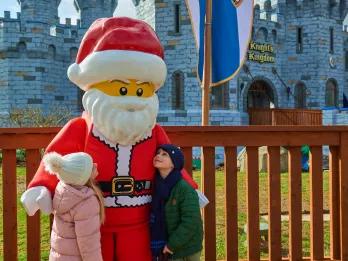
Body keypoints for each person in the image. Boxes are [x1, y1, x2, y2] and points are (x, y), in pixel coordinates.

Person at [42, 152, 104, 261]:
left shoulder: (62, 190)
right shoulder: (86, 202)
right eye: (91, 166)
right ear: (82, 177)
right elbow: (89, 245)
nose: (96, 165)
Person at [150, 144, 203, 261]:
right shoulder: (157, 186)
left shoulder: (184, 189)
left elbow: (191, 221)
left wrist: (171, 245)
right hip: (168, 248)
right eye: (158, 153)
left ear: (174, 163)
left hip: (187, 248)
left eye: (164, 154)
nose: (158, 156)